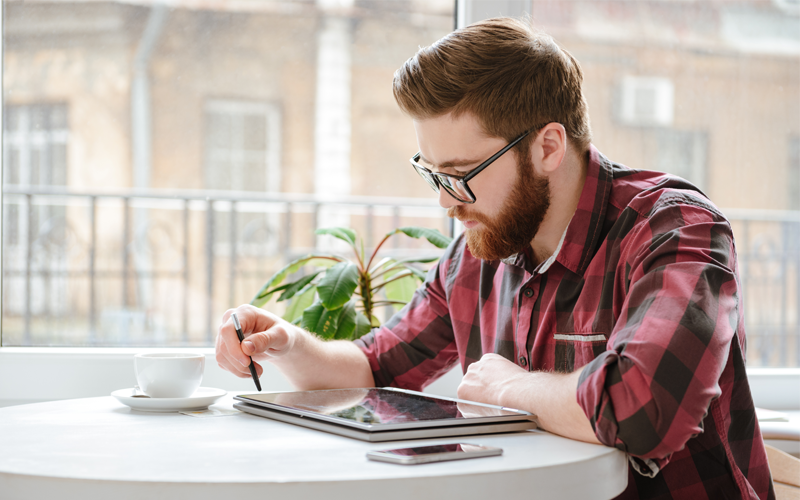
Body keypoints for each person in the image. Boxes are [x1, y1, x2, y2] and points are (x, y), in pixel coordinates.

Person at [215, 17, 774, 500]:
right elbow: (374, 369)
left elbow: (642, 411)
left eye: (462, 174)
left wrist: (510, 388)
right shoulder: (479, 251)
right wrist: (288, 344)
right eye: (434, 175)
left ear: (547, 147)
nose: (445, 202)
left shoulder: (674, 229)